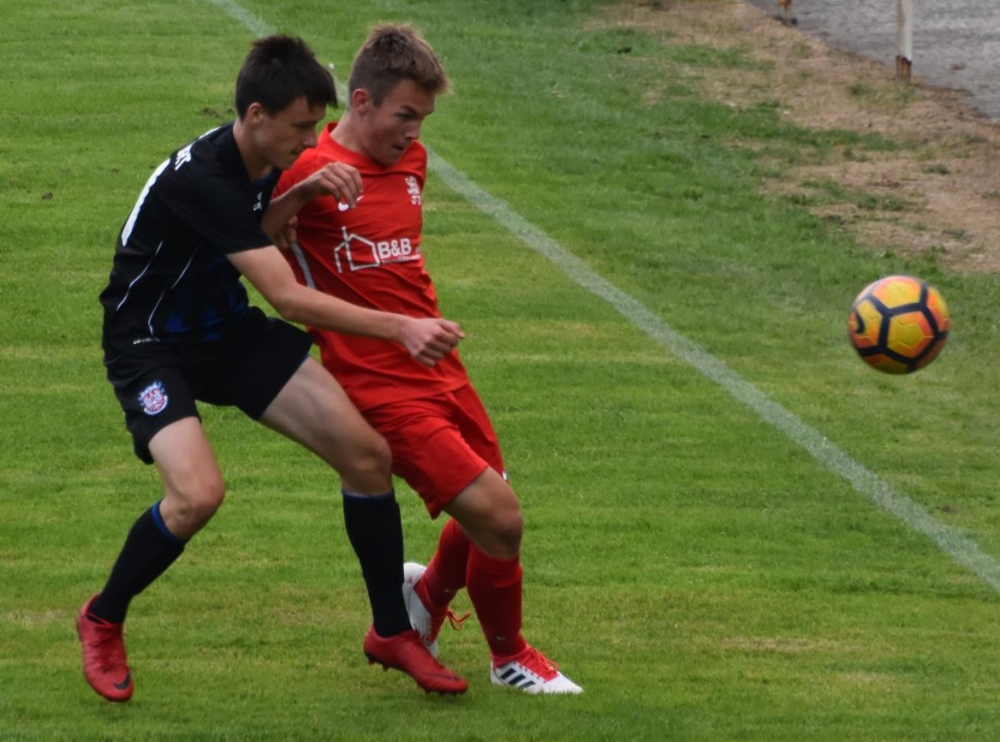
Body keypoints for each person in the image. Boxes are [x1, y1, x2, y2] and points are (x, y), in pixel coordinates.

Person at [78, 34, 469, 703]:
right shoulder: (206, 179)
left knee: (368, 457)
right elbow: (286, 297)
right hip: (149, 345)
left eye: (318, 125)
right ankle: (102, 618)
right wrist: (400, 327)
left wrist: (304, 187)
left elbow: (272, 223)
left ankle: (390, 632)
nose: (311, 139)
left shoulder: (269, 162)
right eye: (300, 128)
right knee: (197, 495)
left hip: (225, 332)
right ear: (255, 115)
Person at [273, 24, 582, 694]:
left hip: (441, 363)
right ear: (360, 101)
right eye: (404, 115)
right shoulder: (309, 169)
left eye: (423, 118)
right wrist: (296, 200)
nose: (413, 132)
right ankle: (509, 657)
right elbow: (254, 249)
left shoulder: (411, 162)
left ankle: (428, 600)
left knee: (492, 489)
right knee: (500, 517)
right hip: (379, 384)